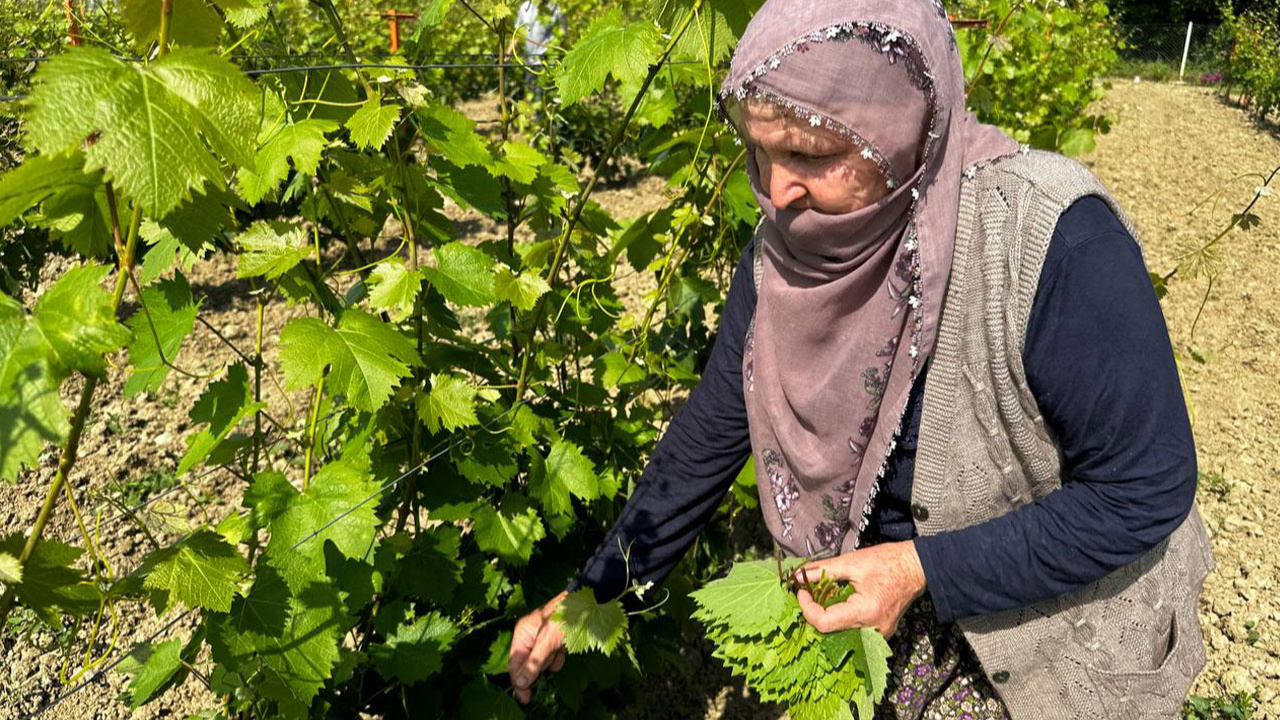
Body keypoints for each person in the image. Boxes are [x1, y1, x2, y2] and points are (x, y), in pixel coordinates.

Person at [509, 1, 1215, 718]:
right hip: (884, 614)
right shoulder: (784, 257)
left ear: (904, 135)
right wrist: (594, 592)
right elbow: (713, 430)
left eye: (814, 156)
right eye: (760, 150)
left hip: (1051, 626)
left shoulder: (1051, 241)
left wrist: (916, 569)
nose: (777, 191)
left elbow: (1144, 488)